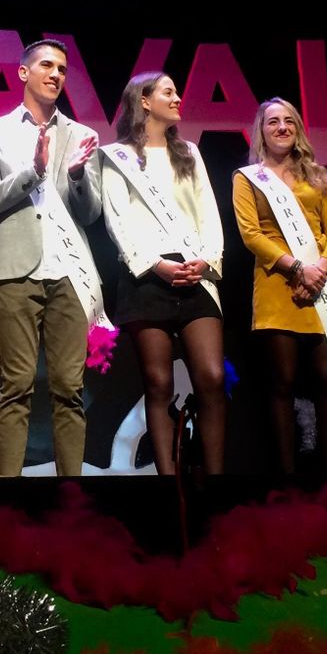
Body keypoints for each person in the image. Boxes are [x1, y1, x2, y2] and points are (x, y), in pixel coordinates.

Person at [0, 39, 105, 477]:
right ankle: (9, 492)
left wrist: (79, 176)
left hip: (69, 272)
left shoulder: (82, 136)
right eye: (46, 65)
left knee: (69, 388)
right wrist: (32, 172)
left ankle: (71, 498)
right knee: (17, 386)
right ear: (23, 73)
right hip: (15, 271)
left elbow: (90, 212)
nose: (55, 74)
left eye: (62, 69)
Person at [98, 72, 227, 474]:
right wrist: (157, 266)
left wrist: (206, 260)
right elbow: (117, 219)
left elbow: (208, 212)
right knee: (158, 384)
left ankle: (215, 479)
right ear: (145, 101)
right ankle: (167, 484)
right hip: (147, 277)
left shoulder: (189, 152)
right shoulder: (115, 156)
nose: (177, 98)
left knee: (211, 376)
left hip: (194, 271)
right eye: (168, 92)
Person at [233, 98, 327, 475]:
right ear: (262, 132)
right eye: (273, 122)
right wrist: (297, 269)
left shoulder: (315, 175)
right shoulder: (247, 178)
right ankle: (287, 483)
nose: (282, 127)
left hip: (323, 283)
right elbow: (251, 235)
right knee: (281, 384)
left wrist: (320, 267)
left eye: (289, 121)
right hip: (276, 285)